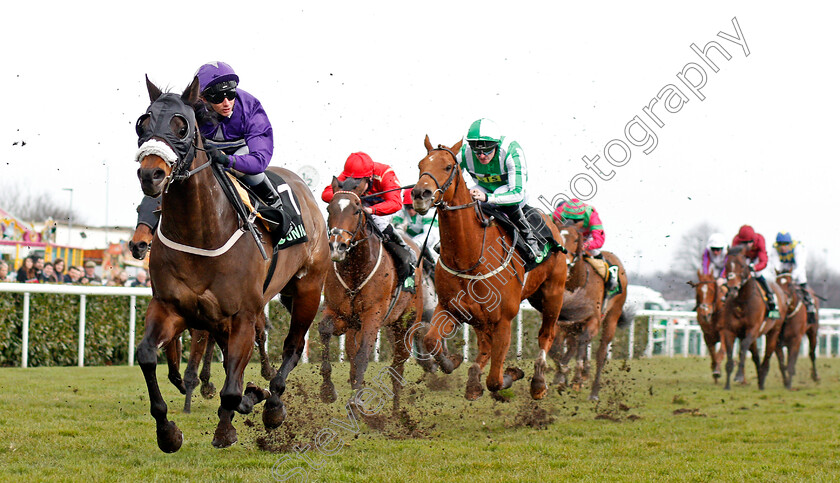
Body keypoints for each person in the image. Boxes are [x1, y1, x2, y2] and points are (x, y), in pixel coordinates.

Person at [134, 61, 288, 245]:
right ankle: (145, 232)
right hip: (205, 153)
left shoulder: (250, 107)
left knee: (253, 176)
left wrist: (226, 159)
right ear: (204, 98)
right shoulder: (189, 110)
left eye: (231, 94)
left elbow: (259, 160)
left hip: (241, 153)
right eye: (218, 97)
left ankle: (276, 206)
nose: (227, 102)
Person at [322, 152, 417, 293]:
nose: (353, 185)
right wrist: (350, 199)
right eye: (351, 181)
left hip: (382, 208)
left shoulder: (385, 174)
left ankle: (407, 258)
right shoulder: (351, 172)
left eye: (357, 183)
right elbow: (326, 194)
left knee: (379, 223)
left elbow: (396, 203)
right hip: (358, 205)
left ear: (369, 177)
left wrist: (371, 210)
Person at [458, 118, 544, 263]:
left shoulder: (511, 151)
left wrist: (486, 197)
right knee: (465, 199)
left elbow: (517, 193)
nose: (482, 156)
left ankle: (530, 240)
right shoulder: (464, 153)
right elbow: (450, 175)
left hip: (510, 192)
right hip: (483, 188)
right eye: (477, 153)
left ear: (496, 146)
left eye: (486, 151)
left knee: (498, 195)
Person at [553, 198, 619, 292]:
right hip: (570, 236)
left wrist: (583, 246)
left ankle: (610, 272)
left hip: (587, 236)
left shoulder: (592, 215)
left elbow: (599, 240)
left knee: (594, 251)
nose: (572, 221)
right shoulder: (559, 212)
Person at [731, 225, 778, 318]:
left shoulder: (760, 240)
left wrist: (755, 268)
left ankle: (770, 297)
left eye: (747, 242)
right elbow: (733, 258)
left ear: (753, 240)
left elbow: (763, 261)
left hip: (756, 259)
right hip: (743, 258)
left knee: (757, 274)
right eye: (742, 243)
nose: (745, 245)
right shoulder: (735, 241)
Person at [770, 232, 817, 323]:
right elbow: (774, 265)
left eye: (785, 244)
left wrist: (793, 277)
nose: (782, 247)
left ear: (790, 244)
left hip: (796, 266)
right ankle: (774, 309)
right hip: (784, 265)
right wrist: (778, 275)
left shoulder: (798, 248)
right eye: (780, 245)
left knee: (802, 279)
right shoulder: (774, 248)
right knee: (776, 283)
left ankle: (810, 305)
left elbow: (800, 266)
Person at [392, 189, 439, 261]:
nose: (410, 211)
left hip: (431, 243)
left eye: (412, 207)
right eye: (407, 207)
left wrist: (414, 245)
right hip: (412, 240)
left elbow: (430, 235)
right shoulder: (401, 209)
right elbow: (394, 227)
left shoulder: (428, 211)